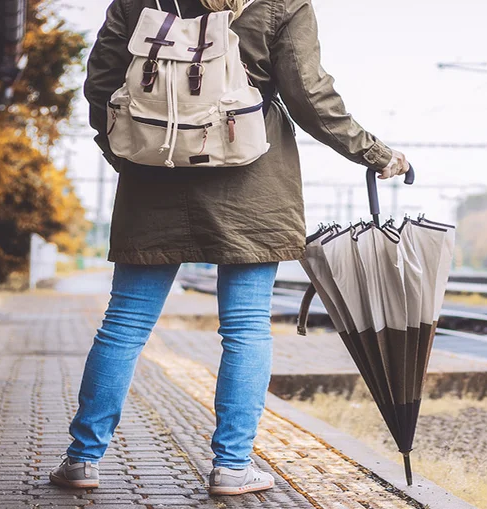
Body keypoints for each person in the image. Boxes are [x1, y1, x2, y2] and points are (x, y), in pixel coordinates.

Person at [48, 0, 409, 496]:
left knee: (125, 323)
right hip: (251, 182)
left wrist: (130, 154)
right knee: (245, 328)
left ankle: (81, 460)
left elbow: (101, 83)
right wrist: (376, 153)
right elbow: (309, 95)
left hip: (155, 177)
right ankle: (232, 467)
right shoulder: (282, 5)